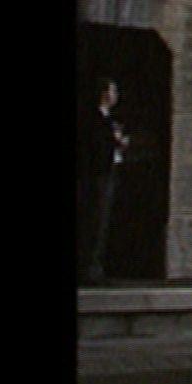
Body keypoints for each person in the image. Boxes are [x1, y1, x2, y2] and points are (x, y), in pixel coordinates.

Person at [80, 78, 129, 285]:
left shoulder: (108, 119)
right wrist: (116, 141)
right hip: (99, 175)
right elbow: (97, 147)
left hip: (109, 172)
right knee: (95, 222)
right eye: (113, 91)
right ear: (105, 94)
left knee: (103, 222)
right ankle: (90, 269)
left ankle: (96, 267)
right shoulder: (95, 119)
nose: (115, 96)